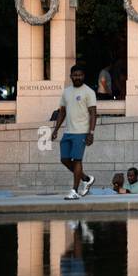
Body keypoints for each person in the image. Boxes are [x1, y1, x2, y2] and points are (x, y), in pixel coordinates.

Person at [50, 64, 97, 200]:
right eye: (75, 75)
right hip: (68, 132)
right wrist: (56, 130)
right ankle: (86, 178)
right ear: (71, 76)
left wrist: (91, 133)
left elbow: (93, 114)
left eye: (80, 75)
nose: (77, 77)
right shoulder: (66, 92)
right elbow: (62, 112)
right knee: (64, 159)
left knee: (77, 160)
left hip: (81, 132)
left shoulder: (89, 92)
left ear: (84, 76)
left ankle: (74, 191)